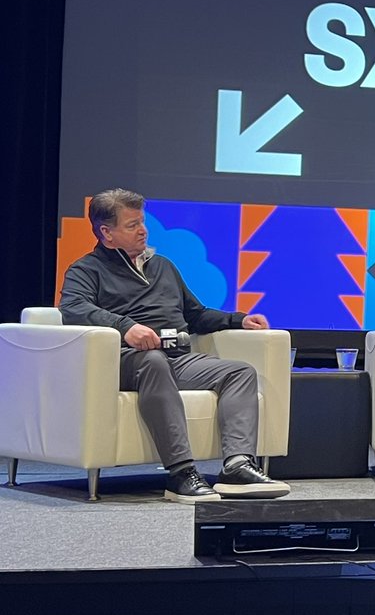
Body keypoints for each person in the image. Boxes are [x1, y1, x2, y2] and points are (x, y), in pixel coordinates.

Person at [59, 189, 290, 503]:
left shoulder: (163, 266)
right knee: (153, 360)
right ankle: (181, 473)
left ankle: (237, 465)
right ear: (106, 233)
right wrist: (126, 327)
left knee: (240, 372)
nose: (143, 230)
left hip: (177, 359)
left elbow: (194, 314)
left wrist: (238, 320)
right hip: (125, 361)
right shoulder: (86, 270)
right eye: (131, 225)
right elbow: (72, 308)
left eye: (142, 222)